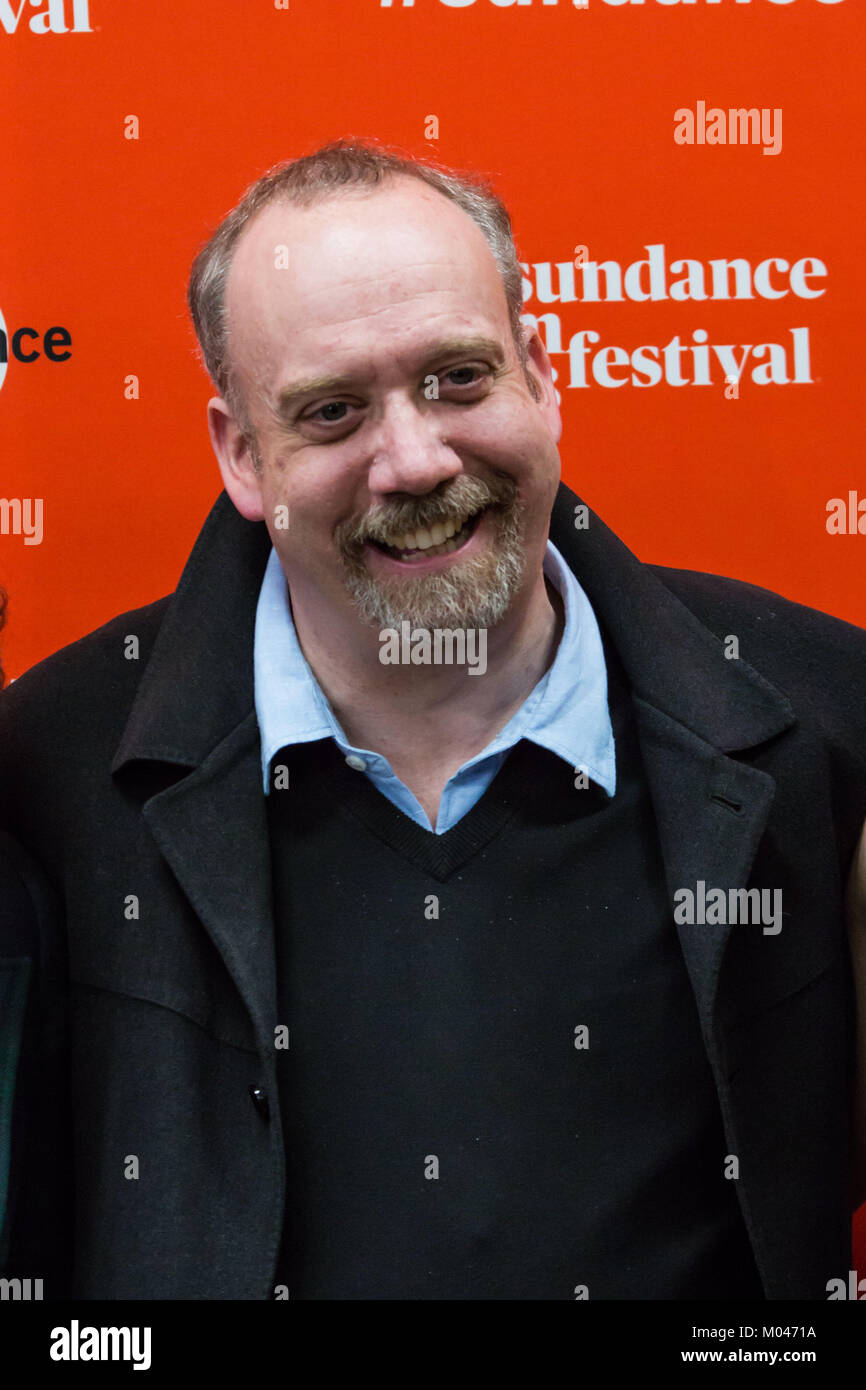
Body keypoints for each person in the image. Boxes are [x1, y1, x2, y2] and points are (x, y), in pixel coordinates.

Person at [1, 138, 866, 1301]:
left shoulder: (820, 718)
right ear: (240, 455)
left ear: (539, 376)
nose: (411, 459)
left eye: (458, 378)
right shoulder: (54, 766)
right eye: (331, 411)